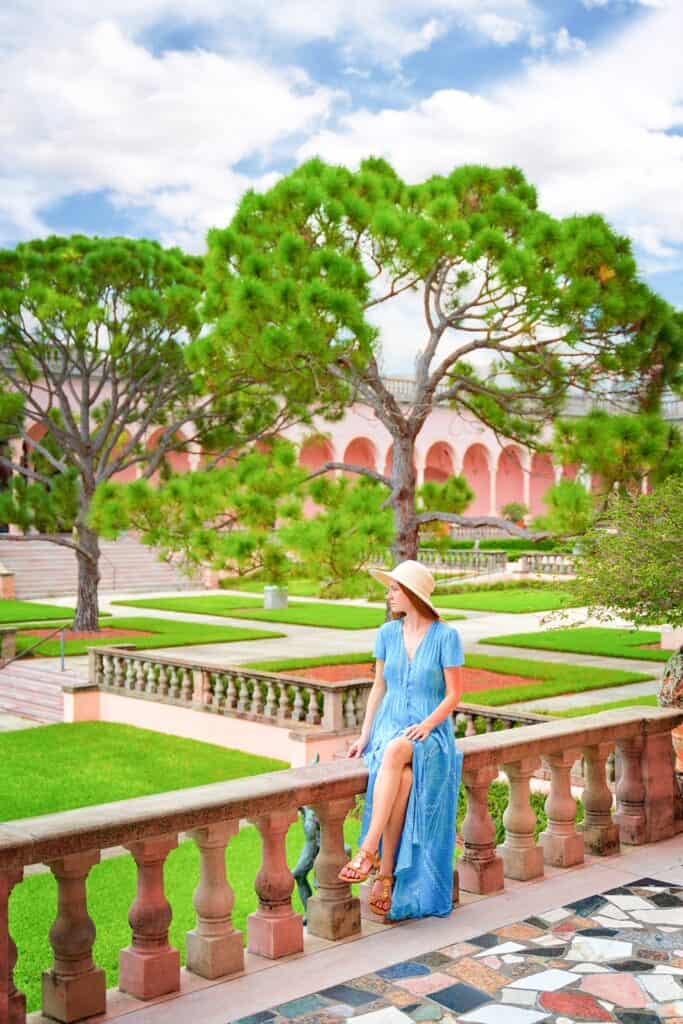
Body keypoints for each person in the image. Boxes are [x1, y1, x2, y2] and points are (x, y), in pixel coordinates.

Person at [338, 559, 464, 920]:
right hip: (389, 727)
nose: (389, 594)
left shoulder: (446, 637)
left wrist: (428, 725)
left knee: (397, 751)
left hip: (430, 733)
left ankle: (367, 849)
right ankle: (386, 876)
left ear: (411, 593)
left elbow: (454, 694)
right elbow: (379, 686)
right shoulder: (387, 634)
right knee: (403, 776)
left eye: (394, 589)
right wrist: (364, 735)